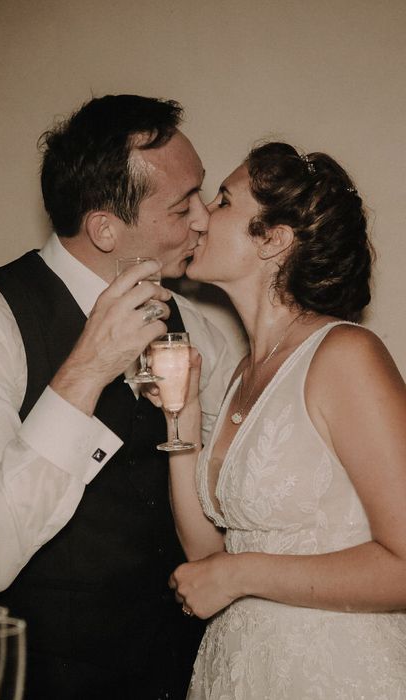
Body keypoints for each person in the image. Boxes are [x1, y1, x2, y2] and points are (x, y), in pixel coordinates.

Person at [0, 95, 239, 699]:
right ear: (105, 229)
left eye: (202, 195)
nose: (205, 219)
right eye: (184, 206)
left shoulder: (201, 329)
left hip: (181, 674)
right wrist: (88, 367)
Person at [157, 141, 406, 698]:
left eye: (221, 201)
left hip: (335, 674)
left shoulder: (345, 355)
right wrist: (183, 415)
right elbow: (207, 557)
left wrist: (242, 575)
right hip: (241, 671)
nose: (198, 216)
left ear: (274, 239)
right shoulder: (242, 372)